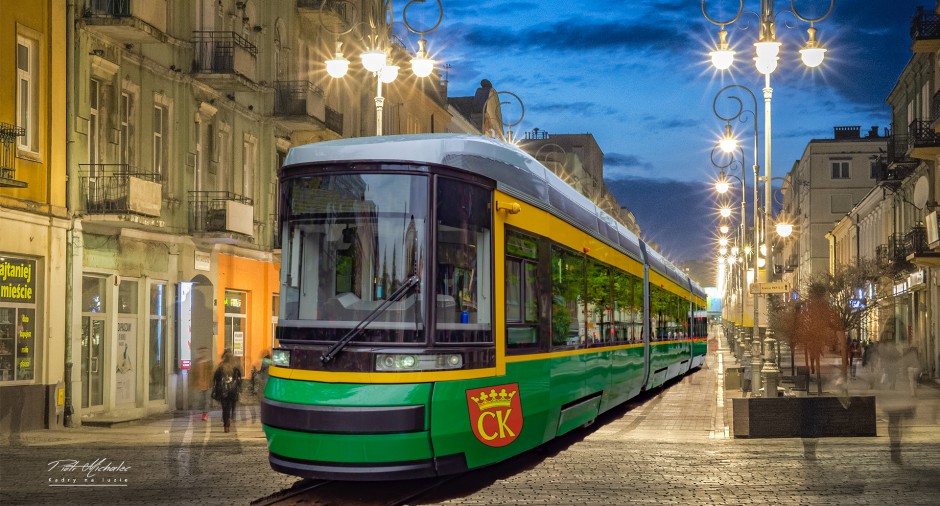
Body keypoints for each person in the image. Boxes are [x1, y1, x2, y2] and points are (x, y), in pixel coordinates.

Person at [212, 349, 242, 433]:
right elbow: (239, 378)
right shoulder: (235, 368)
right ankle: (230, 417)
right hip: (232, 391)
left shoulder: (220, 367)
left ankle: (226, 425)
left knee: (225, 408)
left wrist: (215, 387)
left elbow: (215, 378)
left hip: (223, 391)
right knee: (231, 405)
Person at [191, 347, 212, 421]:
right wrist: (193, 384)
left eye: (204, 352)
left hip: (207, 385)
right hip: (197, 385)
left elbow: (212, 373)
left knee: (207, 401)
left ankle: (204, 414)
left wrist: (211, 383)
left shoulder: (209, 362)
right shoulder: (196, 362)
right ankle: (195, 414)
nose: (203, 353)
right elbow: (192, 373)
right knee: (196, 400)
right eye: (201, 352)